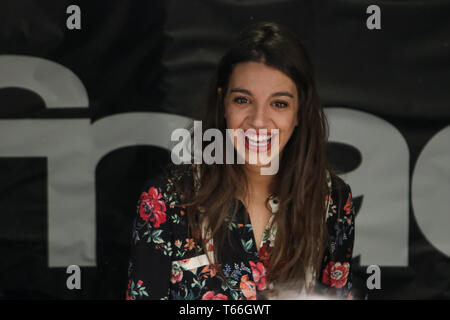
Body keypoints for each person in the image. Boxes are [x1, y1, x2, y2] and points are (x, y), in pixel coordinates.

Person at [125, 21, 356, 300]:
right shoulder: (167, 201)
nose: (258, 121)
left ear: (300, 111)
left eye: (279, 103)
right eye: (243, 100)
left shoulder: (331, 201)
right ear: (223, 103)